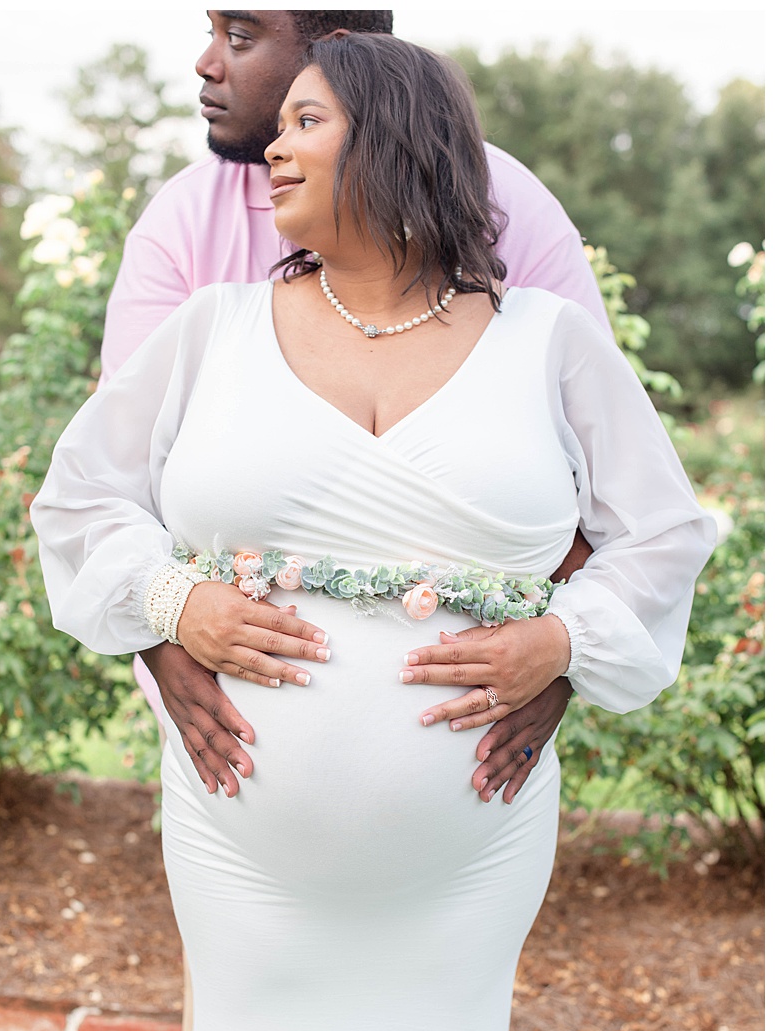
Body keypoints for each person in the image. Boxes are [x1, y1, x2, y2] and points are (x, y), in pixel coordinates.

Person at [31, 33, 715, 1031]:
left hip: (466, 857)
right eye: (278, 125)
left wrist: (562, 642)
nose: (273, 150)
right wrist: (171, 601)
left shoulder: (545, 344)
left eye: (306, 121)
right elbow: (81, 498)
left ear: (394, 140)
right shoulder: (210, 329)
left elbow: (663, 533)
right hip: (242, 840)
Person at [110, 10, 610, 808]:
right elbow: (113, 485)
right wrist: (160, 634)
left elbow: (596, 473)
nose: (207, 64)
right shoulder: (181, 227)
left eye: (239, 38)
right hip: (239, 780)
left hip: (472, 796)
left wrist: (565, 655)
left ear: (344, 59)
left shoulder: (510, 206)